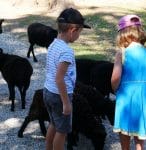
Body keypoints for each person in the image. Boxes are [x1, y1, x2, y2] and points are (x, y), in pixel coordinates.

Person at [43, 8, 90, 150]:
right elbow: (59, 79)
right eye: (79, 32)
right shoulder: (66, 51)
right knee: (62, 131)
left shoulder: (53, 44)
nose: (79, 36)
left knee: (53, 123)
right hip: (60, 96)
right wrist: (66, 103)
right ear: (72, 30)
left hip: (48, 92)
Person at [111, 14, 146, 150]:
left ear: (123, 34)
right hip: (144, 97)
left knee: (124, 130)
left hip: (126, 97)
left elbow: (115, 78)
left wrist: (115, 89)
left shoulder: (122, 53)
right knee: (140, 133)